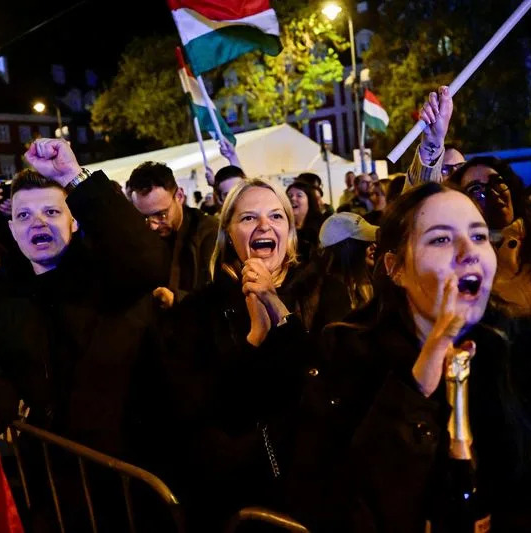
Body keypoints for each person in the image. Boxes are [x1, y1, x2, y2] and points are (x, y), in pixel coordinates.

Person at [291, 182, 531, 532]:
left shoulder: (524, 344)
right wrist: (420, 379)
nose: (469, 252)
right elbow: (341, 505)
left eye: (479, 236)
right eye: (441, 239)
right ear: (396, 268)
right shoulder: (348, 354)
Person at [0, 137, 169, 462]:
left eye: (51, 211)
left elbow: (147, 261)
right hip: (54, 464)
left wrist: (73, 176)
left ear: (73, 221)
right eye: (24, 215)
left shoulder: (108, 274)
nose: (38, 222)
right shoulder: (5, 295)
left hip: (127, 460)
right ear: (13, 229)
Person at [160, 177, 309, 532]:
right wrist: (254, 339)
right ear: (228, 232)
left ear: (289, 231)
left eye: (276, 216)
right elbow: (201, 406)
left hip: (309, 483)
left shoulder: (321, 290)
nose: (264, 226)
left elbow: (319, 383)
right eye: (248, 218)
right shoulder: (200, 310)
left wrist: (276, 307)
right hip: (238, 494)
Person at [407, 86, 531, 354]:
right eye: (476, 189)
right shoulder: (452, 259)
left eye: (496, 183)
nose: (491, 193)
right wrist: (432, 143)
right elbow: (415, 218)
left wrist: (525, 348)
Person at [127, 161, 218, 308]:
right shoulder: (141, 235)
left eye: (161, 215)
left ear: (179, 196)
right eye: (145, 217)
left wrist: (175, 299)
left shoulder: (209, 232)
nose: (153, 225)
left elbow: (215, 296)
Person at [286, 212, 377, 336]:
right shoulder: (329, 293)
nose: (373, 246)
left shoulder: (359, 283)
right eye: (365, 242)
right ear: (346, 249)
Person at [287, 180, 325, 262]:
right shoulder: (283, 228)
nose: (292, 198)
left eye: (299, 195)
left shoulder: (322, 227)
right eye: (289, 196)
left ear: (309, 201)